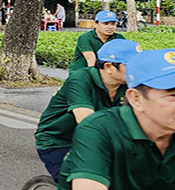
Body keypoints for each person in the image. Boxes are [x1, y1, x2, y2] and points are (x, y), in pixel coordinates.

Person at [57, 48, 175, 189]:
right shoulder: (98, 130)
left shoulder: (120, 86)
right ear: (136, 99)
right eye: (172, 96)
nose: (111, 26)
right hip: (57, 137)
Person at [34, 39, 140, 182]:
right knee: (84, 181)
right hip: (58, 141)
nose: (139, 70)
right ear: (109, 67)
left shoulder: (130, 85)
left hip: (98, 140)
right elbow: (86, 122)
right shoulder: (80, 80)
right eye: (133, 65)